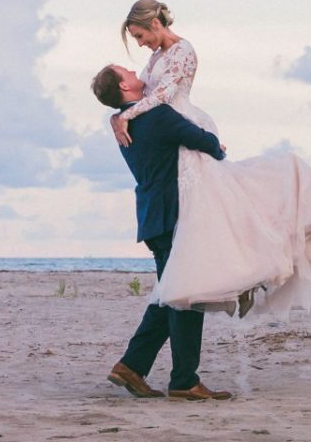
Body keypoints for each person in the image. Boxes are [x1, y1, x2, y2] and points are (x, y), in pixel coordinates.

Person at [105, 0, 311, 319]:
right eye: (135, 38)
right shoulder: (157, 56)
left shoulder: (182, 50)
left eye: (139, 35)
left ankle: (240, 278)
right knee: (211, 217)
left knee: (216, 209)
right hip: (167, 131)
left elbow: (162, 95)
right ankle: (226, 281)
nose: (140, 44)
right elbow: (148, 97)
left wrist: (125, 115)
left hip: (181, 124)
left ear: (155, 25)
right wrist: (117, 116)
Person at [93, 63, 235, 402]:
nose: (133, 70)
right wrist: (218, 146)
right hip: (174, 216)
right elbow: (205, 142)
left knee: (170, 295)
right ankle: (184, 380)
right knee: (186, 297)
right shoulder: (155, 117)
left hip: (154, 217)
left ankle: (132, 366)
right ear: (125, 88)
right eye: (126, 72)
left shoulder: (126, 121)